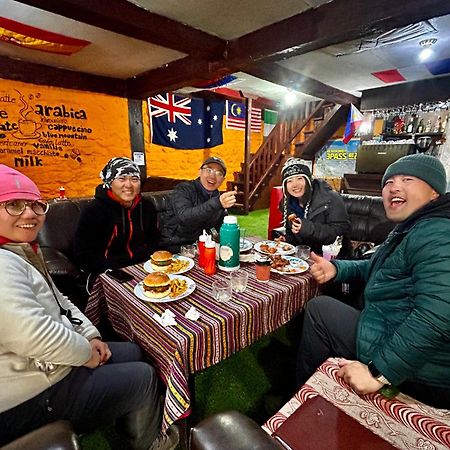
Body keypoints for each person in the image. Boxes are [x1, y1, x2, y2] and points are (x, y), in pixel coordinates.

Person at [0, 165, 178, 449]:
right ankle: (148, 443)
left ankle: (126, 416)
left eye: (35, 204)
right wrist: (85, 353)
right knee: (144, 376)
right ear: (110, 182)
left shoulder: (19, 252)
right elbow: (34, 336)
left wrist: (91, 335)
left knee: (133, 350)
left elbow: (60, 301)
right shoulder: (4, 264)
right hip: (27, 393)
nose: (30, 213)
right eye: (14, 205)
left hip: (49, 361)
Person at [297, 154, 450, 409]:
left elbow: (438, 315)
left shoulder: (437, 232)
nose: (394, 187)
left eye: (407, 179)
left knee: (319, 310)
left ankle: (305, 401)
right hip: (388, 323)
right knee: (325, 305)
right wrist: (336, 268)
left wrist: (379, 372)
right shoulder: (414, 226)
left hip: (426, 372)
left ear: (434, 192)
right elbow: (376, 266)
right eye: (388, 182)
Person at [74, 157, 160, 278]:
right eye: (122, 179)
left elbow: (154, 241)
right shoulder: (94, 211)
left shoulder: (147, 207)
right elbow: (84, 256)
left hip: (145, 268)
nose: (129, 185)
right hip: (106, 273)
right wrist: (115, 271)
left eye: (134, 179)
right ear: (109, 182)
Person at [160, 156, 236, 251]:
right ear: (200, 172)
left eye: (219, 173)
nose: (212, 176)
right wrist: (217, 203)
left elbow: (219, 226)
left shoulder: (217, 196)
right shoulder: (183, 189)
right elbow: (185, 217)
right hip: (176, 247)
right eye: (208, 170)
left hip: (202, 246)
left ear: (223, 180)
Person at [279, 157, 351, 256]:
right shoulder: (287, 203)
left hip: (331, 258)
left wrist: (307, 228)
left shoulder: (331, 198)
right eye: (289, 181)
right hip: (301, 256)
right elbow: (290, 232)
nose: (294, 185)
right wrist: (287, 239)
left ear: (309, 180)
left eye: (300, 178)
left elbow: (339, 231)